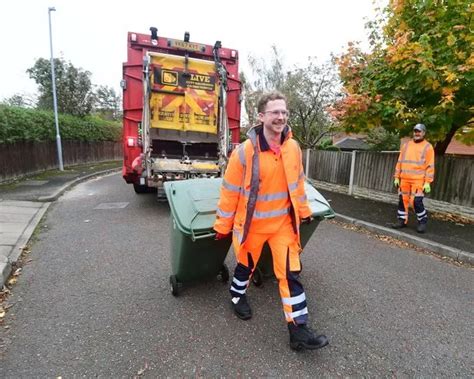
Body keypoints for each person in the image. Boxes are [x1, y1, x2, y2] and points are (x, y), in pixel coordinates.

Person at [213, 91, 329, 351]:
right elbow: (230, 191)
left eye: (284, 112)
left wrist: (303, 210)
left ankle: (298, 330)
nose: (280, 117)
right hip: (252, 225)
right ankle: (236, 296)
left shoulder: (293, 148)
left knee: (290, 274)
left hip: (282, 226)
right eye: (275, 112)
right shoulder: (245, 152)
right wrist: (222, 225)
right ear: (261, 116)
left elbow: (298, 184)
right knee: (245, 266)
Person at [393, 123, 435, 233]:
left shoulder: (428, 147)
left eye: (419, 131)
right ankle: (402, 220)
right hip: (404, 179)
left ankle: (422, 221)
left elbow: (430, 166)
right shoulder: (406, 145)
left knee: (416, 202)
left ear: (424, 133)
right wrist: (396, 177)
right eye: (415, 131)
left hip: (418, 180)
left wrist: (427, 182)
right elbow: (400, 162)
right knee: (403, 200)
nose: (417, 133)